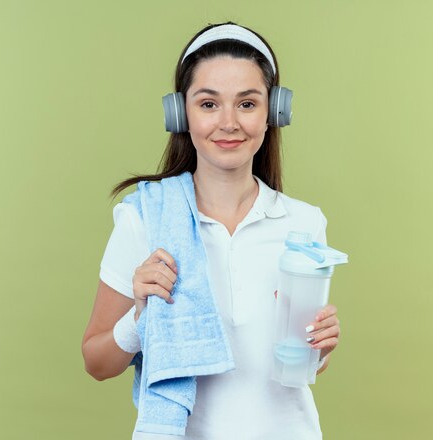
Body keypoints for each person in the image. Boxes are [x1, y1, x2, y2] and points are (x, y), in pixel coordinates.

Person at [81, 22, 341, 440]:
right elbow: (96, 363)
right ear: (180, 112)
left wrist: (319, 350)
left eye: (247, 104)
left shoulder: (305, 224)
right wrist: (140, 316)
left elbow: (296, 364)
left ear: (274, 112)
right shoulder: (143, 219)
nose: (228, 122)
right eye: (208, 104)